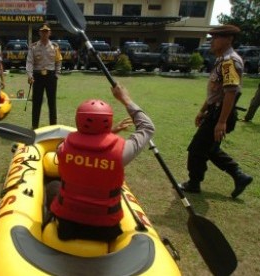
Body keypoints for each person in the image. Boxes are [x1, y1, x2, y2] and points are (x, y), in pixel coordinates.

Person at [46, 84, 154, 242]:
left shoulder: (63, 148)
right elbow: (147, 127)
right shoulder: (122, 152)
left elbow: (86, 152)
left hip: (68, 227)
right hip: (106, 230)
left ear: (78, 120)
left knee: (52, 186)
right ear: (108, 122)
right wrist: (125, 99)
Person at [179, 25, 253, 199]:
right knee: (210, 149)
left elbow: (231, 92)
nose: (212, 42)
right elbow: (217, 92)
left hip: (220, 114)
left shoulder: (229, 62)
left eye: (216, 38)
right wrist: (202, 110)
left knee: (197, 149)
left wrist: (221, 121)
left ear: (228, 39)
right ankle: (240, 176)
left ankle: (194, 183)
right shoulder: (222, 60)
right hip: (215, 111)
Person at [26, 23, 63, 129]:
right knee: (36, 102)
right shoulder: (33, 47)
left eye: (46, 32)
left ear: (50, 33)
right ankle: (35, 126)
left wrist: (57, 74)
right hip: (37, 77)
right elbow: (29, 62)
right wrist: (30, 75)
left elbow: (58, 61)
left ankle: (53, 125)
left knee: (52, 102)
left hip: (51, 77)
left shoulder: (55, 47)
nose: (44, 34)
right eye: (43, 31)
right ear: (39, 33)